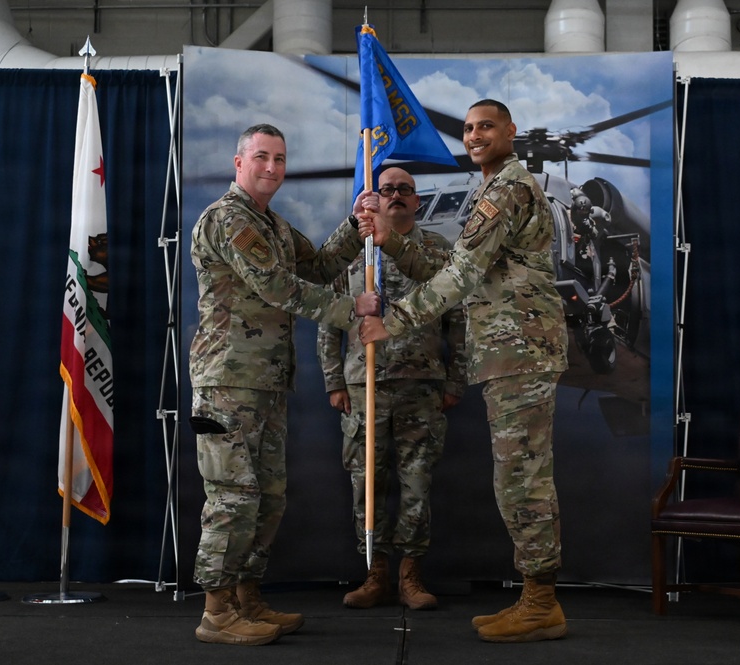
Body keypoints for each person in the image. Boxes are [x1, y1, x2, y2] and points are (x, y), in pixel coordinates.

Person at [357, 100, 569, 643]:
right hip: (510, 351)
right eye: (469, 128)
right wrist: (391, 241)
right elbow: (455, 270)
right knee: (515, 478)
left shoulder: (506, 189)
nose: (474, 136)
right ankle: (535, 598)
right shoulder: (490, 188)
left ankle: (541, 602)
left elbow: (462, 274)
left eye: (486, 127)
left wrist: (395, 320)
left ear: (511, 132)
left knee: (523, 479)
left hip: (520, 348)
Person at [188, 123, 380, 646]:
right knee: (232, 496)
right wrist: (350, 309)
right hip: (228, 380)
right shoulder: (230, 220)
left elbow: (315, 266)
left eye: (280, 159)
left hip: (265, 382)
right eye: (262, 157)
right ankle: (216, 611)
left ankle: (248, 597)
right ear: (239, 162)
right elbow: (276, 286)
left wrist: (356, 221)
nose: (272, 167)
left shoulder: (270, 224)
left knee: (267, 497)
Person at [317, 167, 467, 611]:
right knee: (367, 482)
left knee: (417, 483)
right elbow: (329, 320)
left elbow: (459, 323)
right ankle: (375, 573)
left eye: (405, 190)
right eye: (387, 189)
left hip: (423, 387)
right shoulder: (351, 252)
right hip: (363, 386)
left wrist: (455, 379)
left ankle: (411, 575)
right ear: (374, 200)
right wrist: (333, 380)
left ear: (417, 202)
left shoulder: (439, 251)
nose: (396, 195)